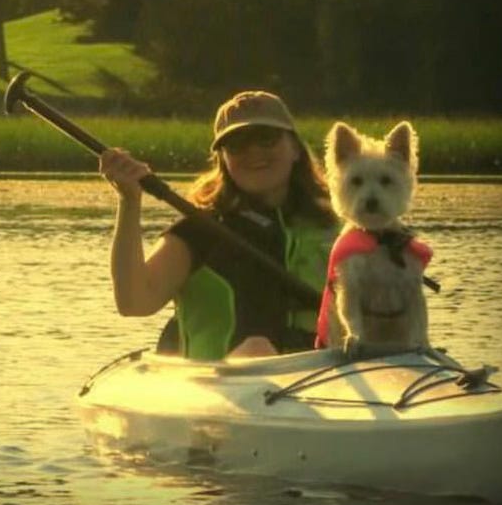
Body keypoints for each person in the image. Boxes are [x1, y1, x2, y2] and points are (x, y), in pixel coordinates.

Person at [99, 90, 339, 360]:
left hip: (325, 379)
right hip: (224, 385)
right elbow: (135, 301)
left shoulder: (338, 228)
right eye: (237, 145)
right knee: (257, 348)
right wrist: (129, 201)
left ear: (295, 148)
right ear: (223, 160)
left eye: (267, 139)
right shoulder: (198, 232)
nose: (254, 152)